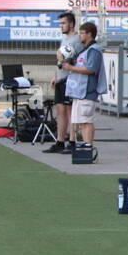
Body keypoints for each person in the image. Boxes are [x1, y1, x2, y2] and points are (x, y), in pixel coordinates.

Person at [60, 22, 105, 160]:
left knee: (86, 121)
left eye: (82, 33)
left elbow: (91, 69)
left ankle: (88, 148)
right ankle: (84, 147)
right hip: (79, 92)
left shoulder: (94, 50)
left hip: (87, 91)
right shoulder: (85, 50)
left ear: (89, 34)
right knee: (80, 122)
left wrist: (70, 68)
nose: (80, 35)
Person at [43, 12, 83, 154]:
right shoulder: (64, 39)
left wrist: (67, 62)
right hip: (61, 79)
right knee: (60, 111)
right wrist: (55, 75)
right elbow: (60, 59)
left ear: (71, 24)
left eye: (63, 23)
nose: (61, 26)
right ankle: (59, 141)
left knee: (70, 111)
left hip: (71, 79)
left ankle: (72, 142)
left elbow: (78, 59)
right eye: (60, 24)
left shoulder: (77, 39)